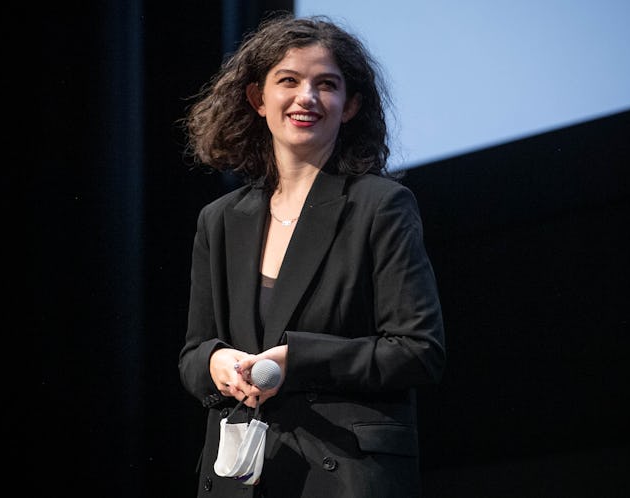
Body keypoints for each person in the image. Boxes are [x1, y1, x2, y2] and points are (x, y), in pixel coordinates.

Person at [178, 14, 445, 498]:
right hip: (244, 476)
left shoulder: (379, 205)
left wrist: (296, 360)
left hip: (344, 473)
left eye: (326, 85)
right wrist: (216, 363)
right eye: (289, 81)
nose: (307, 97)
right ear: (258, 99)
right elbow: (193, 352)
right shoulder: (219, 220)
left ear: (349, 106)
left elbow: (418, 351)